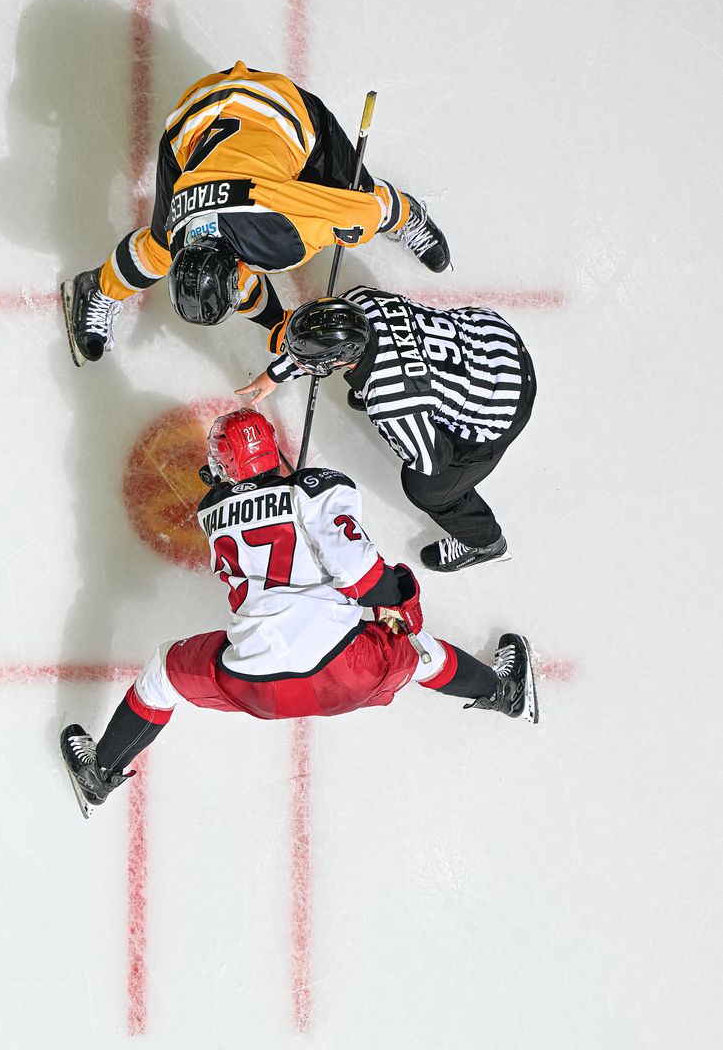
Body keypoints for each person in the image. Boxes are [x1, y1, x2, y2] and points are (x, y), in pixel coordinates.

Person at [60, 409, 538, 817]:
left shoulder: (212, 510)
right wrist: (404, 594)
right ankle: (503, 692)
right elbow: (366, 581)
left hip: (255, 685)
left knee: (164, 672)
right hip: (346, 673)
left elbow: (248, 508)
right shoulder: (318, 491)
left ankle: (101, 773)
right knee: (419, 651)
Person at [60, 61, 450, 366]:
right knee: (162, 250)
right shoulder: (182, 238)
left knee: (359, 192)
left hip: (278, 107)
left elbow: (363, 211)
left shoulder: (285, 237)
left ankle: (412, 217)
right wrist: (277, 325)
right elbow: (240, 283)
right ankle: (97, 286)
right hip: (194, 113)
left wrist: (388, 213)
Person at [236, 287, 536, 573]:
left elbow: (433, 459)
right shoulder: (360, 299)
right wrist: (275, 374)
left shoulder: (390, 402)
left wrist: (405, 412)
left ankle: (486, 544)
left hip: (504, 404)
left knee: (427, 487)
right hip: (496, 338)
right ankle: (413, 394)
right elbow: (326, 339)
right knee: (402, 392)